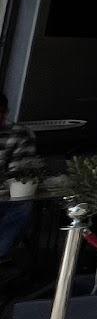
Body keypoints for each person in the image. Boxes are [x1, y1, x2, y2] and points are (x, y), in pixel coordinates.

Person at [0, 92, 36, 262]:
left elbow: (20, 175)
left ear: (5, 112)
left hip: (4, 196)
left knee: (21, 205)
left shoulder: (18, 134)